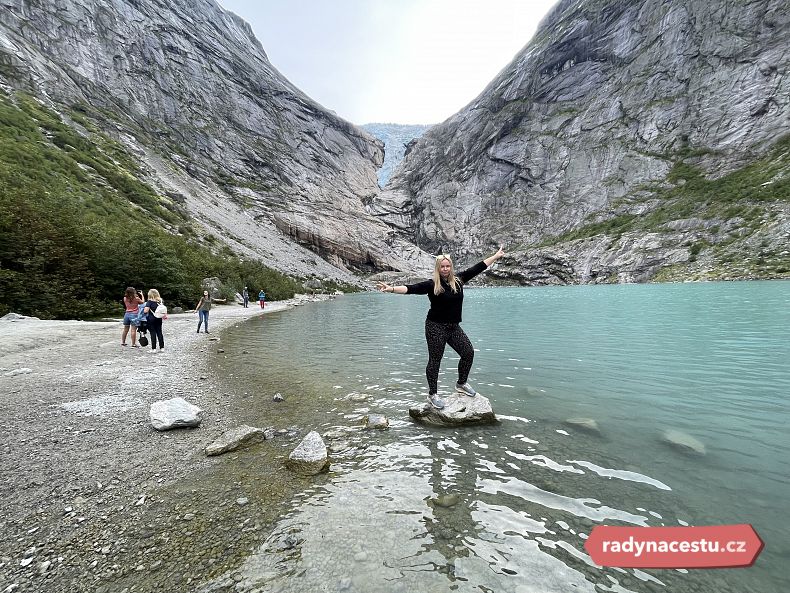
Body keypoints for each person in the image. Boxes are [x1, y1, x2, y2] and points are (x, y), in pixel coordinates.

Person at [376, 246, 505, 410]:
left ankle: (461, 383)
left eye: (447, 266)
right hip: (435, 327)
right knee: (435, 360)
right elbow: (411, 289)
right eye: (442, 266)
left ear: (451, 267)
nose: (445, 269)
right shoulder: (432, 285)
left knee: (468, 352)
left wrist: (495, 256)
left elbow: (479, 267)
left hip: (453, 327)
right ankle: (433, 394)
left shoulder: (459, 280)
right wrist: (391, 289)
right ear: (438, 268)